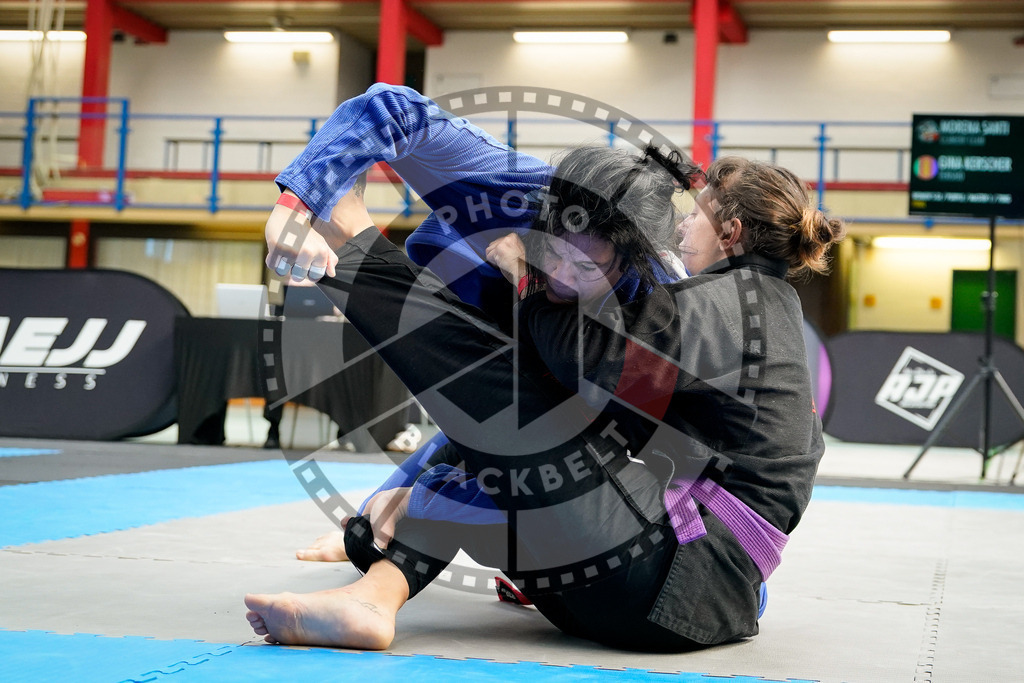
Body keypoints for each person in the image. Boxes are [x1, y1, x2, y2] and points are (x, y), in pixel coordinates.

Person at [245, 119, 845, 650]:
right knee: (491, 447)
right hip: (649, 593)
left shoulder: (737, 307)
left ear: (731, 231)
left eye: (697, 214)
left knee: (510, 394)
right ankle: (371, 600)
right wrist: (419, 492)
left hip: (664, 577)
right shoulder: (753, 312)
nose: (683, 226)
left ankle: (353, 246)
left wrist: (524, 277)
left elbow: (578, 361)